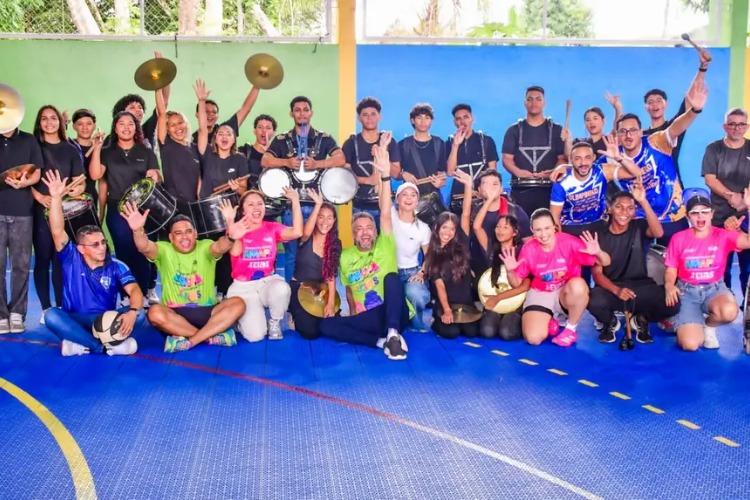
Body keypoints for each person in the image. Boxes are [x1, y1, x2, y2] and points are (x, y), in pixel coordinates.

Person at [319, 136, 409, 360]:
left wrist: (385, 176)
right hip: (369, 317)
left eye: (369, 227)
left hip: (394, 311)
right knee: (326, 326)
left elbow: (385, 212)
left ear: (376, 231)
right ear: (353, 234)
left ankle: (393, 334)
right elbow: (349, 290)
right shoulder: (345, 256)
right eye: (359, 229)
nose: (365, 232)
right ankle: (382, 342)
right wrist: (352, 312)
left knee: (392, 278)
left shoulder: (385, 244)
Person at [40, 170, 144, 356]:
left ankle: (80, 344)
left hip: (104, 320)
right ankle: (103, 346)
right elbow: (57, 231)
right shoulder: (71, 257)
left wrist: (132, 311)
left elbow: (135, 290)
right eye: (95, 245)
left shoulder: (116, 265)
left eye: (103, 242)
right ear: (81, 248)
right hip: (75, 319)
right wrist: (55, 198)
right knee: (51, 316)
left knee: (141, 314)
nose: (102, 247)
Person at [122, 204, 247, 352]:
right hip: (175, 316)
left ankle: (191, 340)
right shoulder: (164, 249)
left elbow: (220, 247)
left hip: (208, 312)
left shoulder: (205, 246)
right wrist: (137, 230)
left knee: (238, 303)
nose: (185, 237)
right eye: (178, 233)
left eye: (188, 232)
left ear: (195, 234)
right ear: (171, 237)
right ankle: (210, 336)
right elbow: (144, 247)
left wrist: (231, 238)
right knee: (154, 313)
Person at [612, 79, 706, 245]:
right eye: (623, 131)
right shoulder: (612, 156)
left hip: (672, 215)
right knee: (638, 260)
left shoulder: (656, 141)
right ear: (618, 135)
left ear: (640, 132)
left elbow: (676, 127)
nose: (628, 135)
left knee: (677, 259)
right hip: (639, 219)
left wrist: (694, 111)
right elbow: (586, 167)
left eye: (633, 130)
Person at [261, 96, 345, 280]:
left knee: (321, 250)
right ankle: (292, 292)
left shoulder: (324, 138)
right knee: (291, 254)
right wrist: (286, 162)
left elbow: (340, 159)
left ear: (311, 113)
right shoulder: (282, 139)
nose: (302, 113)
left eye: (305, 109)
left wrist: (318, 164)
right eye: (297, 110)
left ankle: (319, 290)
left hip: (318, 206)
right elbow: (265, 160)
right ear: (291, 113)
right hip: (292, 206)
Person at [503, 209, 610, 347]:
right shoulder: (528, 249)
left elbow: (605, 262)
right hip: (540, 292)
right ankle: (550, 320)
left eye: (547, 228)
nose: (543, 234)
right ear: (532, 231)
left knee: (579, 285)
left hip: (565, 293)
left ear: (554, 227)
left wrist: (598, 252)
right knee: (533, 339)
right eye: (538, 230)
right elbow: (516, 284)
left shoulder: (569, 242)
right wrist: (510, 271)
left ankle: (570, 329)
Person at [589, 187, 679, 344]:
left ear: (635, 211)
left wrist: (643, 201)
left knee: (673, 303)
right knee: (592, 299)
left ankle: (640, 319)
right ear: (610, 209)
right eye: (619, 207)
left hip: (640, 287)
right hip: (612, 288)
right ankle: (610, 322)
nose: (624, 212)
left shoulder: (639, 226)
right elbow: (597, 274)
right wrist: (617, 290)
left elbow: (658, 233)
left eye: (630, 208)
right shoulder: (599, 234)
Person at [664, 192, 750, 351]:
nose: (700, 216)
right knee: (690, 345)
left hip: (714, 289)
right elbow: (671, 268)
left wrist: (749, 207)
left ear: (712, 214)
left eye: (705, 212)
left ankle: (709, 326)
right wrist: (669, 285)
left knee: (729, 312)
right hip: (687, 292)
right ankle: (682, 319)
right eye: (695, 213)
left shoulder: (723, 235)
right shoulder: (678, 238)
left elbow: (748, 241)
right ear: (688, 216)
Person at [88, 111, 161, 295]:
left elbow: (156, 177)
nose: (126, 127)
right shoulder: (107, 152)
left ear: (136, 128)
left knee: (142, 249)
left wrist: (155, 175)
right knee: (124, 251)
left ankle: (143, 293)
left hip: (143, 208)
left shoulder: (146, 151)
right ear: (115, 128)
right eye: (122, 123)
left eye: (131, 124)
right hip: (117, 208)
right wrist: (97, 148)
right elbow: (95, 175)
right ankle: (126, 294)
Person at [224, 187, 303, 342]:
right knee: (255, 336)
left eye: (259, 204)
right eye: (251, 204)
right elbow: (234, 252)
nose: (256, 208)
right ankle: (240, 319)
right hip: (244, 287)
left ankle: (274, 322)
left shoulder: (271, 227)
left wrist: (295, 200)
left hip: (267, 282)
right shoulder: (235, 229)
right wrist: (231, 226)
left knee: (281, 289)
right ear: (243, 210)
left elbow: (297, 232)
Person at [31, 105, 86, 320]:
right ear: (39, 123)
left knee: (60, 259)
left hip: (64, 213)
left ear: (60, 122)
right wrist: (40, 197)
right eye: (44, 118)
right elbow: (25, 179)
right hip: (40, 211)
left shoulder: (70, 149)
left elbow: (80, 182)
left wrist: (75, 190)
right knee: (43, 258)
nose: (49, 122)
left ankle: (62, 308)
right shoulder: (34, 146)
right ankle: (46, 309)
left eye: (53, 118)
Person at [0, 118, 43, 334]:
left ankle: (17, 313)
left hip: (23, 212)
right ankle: (1, 315)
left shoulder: (29, 140)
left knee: (21, 265)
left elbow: (37, 172)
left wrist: (26, 182)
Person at [643, 49, 711, 184]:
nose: (655, 105)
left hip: (672, 186)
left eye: (659, 101)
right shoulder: (641, 135)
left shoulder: (674, 126)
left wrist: (703, 68)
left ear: (665, 104)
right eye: (650, 102)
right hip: (647, 187)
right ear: (646, 107)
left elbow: (689, 99)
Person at [425, 170, 479, 338]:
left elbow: (466, 213)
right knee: (452, 332)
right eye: (444, 227)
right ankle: (435, 319)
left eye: (452, 229)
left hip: (465, 304)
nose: (447, 232)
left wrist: (468, 185)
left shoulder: (461, 243)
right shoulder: (432, 253)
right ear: (437, 228)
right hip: (445, 303)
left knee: (472, 332)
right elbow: (439, 285)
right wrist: (447, 310)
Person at [702, 108, 750, 294]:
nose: (737, 128)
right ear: (725, 126)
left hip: (747, 216)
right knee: (721, 268)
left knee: (747, 268)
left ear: (747, 127)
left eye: (741, 124)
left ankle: (747, 306)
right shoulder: (713, 149)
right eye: (732, 124)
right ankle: (723, 302)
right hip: (719, 217)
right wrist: (731, 197)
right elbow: (710, 179)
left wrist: (744, 203)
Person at [501, 86, 566, 217]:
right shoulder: (513, 130)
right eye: (530, 99)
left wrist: (553, 172)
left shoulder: (557, 130)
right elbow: (507, 159)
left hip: (550, 190)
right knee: (521, 226)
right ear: (525, 103)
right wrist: (518, 172)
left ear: (544, 102)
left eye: (538, 99)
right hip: (521, 191)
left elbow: (562, 159)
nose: (534, 103)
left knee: (549, 226)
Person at [288, 189, 341, 339]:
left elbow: (331, 274)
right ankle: (294, 314)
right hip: (300, 287)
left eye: (329, 218)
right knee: (310, 332)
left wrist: (330, 303)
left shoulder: (335, 243)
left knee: (333, 326)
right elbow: (305, 232)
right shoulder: (306, 238)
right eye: (321, 217)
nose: (325, 222)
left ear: (334, 221)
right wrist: (318, 204)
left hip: (320, 290)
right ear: (315, 218)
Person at [473, 202, 530, 341]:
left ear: (515, 232)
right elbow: (476, 227)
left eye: (505, 227)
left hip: (515, 303)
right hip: (494, 300)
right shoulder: (491, 249)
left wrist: (498, 298)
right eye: (498, 227)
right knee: (487, 331)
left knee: (506, 333)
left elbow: (525, 286)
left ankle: (519, 320)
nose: (500, 230)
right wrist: (489, 200)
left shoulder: (524, 251)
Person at [343, 97, 401, 221]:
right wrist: (367, 180)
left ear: (379, 116)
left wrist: (382, 153)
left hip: (385, 204)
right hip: (360, 205)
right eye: (365, 115)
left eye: (373, 114)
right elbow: (345, 176)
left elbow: (396, 174)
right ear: (359, 118)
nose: (369, 118)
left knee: (386, 234)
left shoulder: (389, 141)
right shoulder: (350, 143)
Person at [469, 170, 530, 276]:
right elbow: (471, 236)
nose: (490, 188)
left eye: (495, 184)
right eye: (486, 184)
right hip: (483, 272)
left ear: (501, 189)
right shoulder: (474, 213)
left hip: (513, 270)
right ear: (479, 190)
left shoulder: (515, 211)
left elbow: (528, 243)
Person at [391, 181, 432, 331]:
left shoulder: (423, 228)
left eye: (413, 195)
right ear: (397, 199)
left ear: (417, 200)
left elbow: (429, 255)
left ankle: (415, 317)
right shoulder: (390, 216)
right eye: (405, 195)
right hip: (390, 272)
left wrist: (422, 272)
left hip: (411, 272)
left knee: (415, 294)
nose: (409, 198)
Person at [155, 82, 202, 209]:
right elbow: (162, 113)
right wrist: (157, 85)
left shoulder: (195, 147)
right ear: (167, 129)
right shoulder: (166, 145)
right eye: (172, 125)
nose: (178, 127)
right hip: (175, 206)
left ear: (186, 124)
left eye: (180, 122)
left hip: (196, 206)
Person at [446, 103, 499, 204]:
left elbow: (493, 172)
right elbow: (450, 172)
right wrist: (455, 145)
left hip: (482, 196)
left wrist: (484, 191)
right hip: (459, 197)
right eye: (458, 119)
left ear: (472, 118)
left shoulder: (486, 141)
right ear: (454, 122)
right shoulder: (449, 143)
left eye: (466, 117)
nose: (462, 122)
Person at [398, 103, 447, 197]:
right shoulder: (403, 144)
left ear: (431, 121)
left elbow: (442, 171)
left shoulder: (439, 143)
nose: (423, 122)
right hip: (410, 197)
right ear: (412, 120)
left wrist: (441, 182)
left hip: (433, 197)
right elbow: (395, 173)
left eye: (427, 118)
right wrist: (402, 174)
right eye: (419, 118)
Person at [191, 85, 260, 145]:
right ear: (197, 114)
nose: (210, 115)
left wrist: (257, 84)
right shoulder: (191, 140)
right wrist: (201, 100)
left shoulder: (225, 129)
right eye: (206, 112)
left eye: (214, 112)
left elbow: (245, 109)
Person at [562, 93, 622, 160]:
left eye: (595, 118)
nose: (591, 122)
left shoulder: (609, 140)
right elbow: (569, 157)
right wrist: (568, 140)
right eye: (588, 120)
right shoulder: (579, 142)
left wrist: (618, 108)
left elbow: (618, 127)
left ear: (603, 121)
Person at [70, 108, 102, 208]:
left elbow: (99, 178)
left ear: (94, 126)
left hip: (90, 198)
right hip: (70, 198)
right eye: (80, 124)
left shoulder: (100, 148)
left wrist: (96, 148)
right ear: (74, 126)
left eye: (89, 123)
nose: (85, 127)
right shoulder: (68, 146)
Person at [240, 114, 277, 190]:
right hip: (247, 195)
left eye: (268, 128)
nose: (264, 131)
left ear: (274, 133)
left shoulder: (278, 156)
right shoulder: (244, 151)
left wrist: (269, 153)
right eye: (260, 127)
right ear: (254, 131)